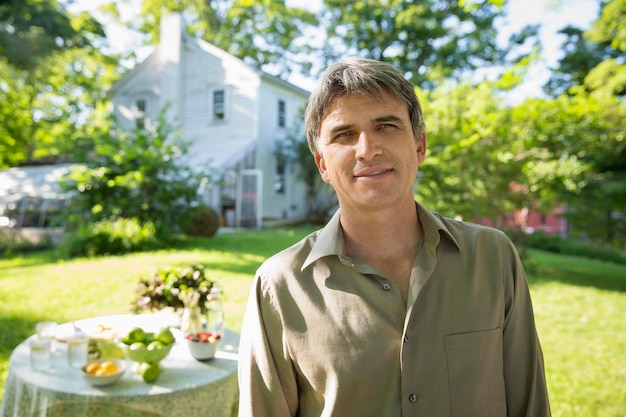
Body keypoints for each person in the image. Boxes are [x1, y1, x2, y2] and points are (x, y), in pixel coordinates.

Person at [238, 57, 551, 417]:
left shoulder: (493, 258)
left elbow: (531, 406)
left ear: (419, 146)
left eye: (386, 126)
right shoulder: (279, 285)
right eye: (344, 134)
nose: (368, 149)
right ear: (323, 164)